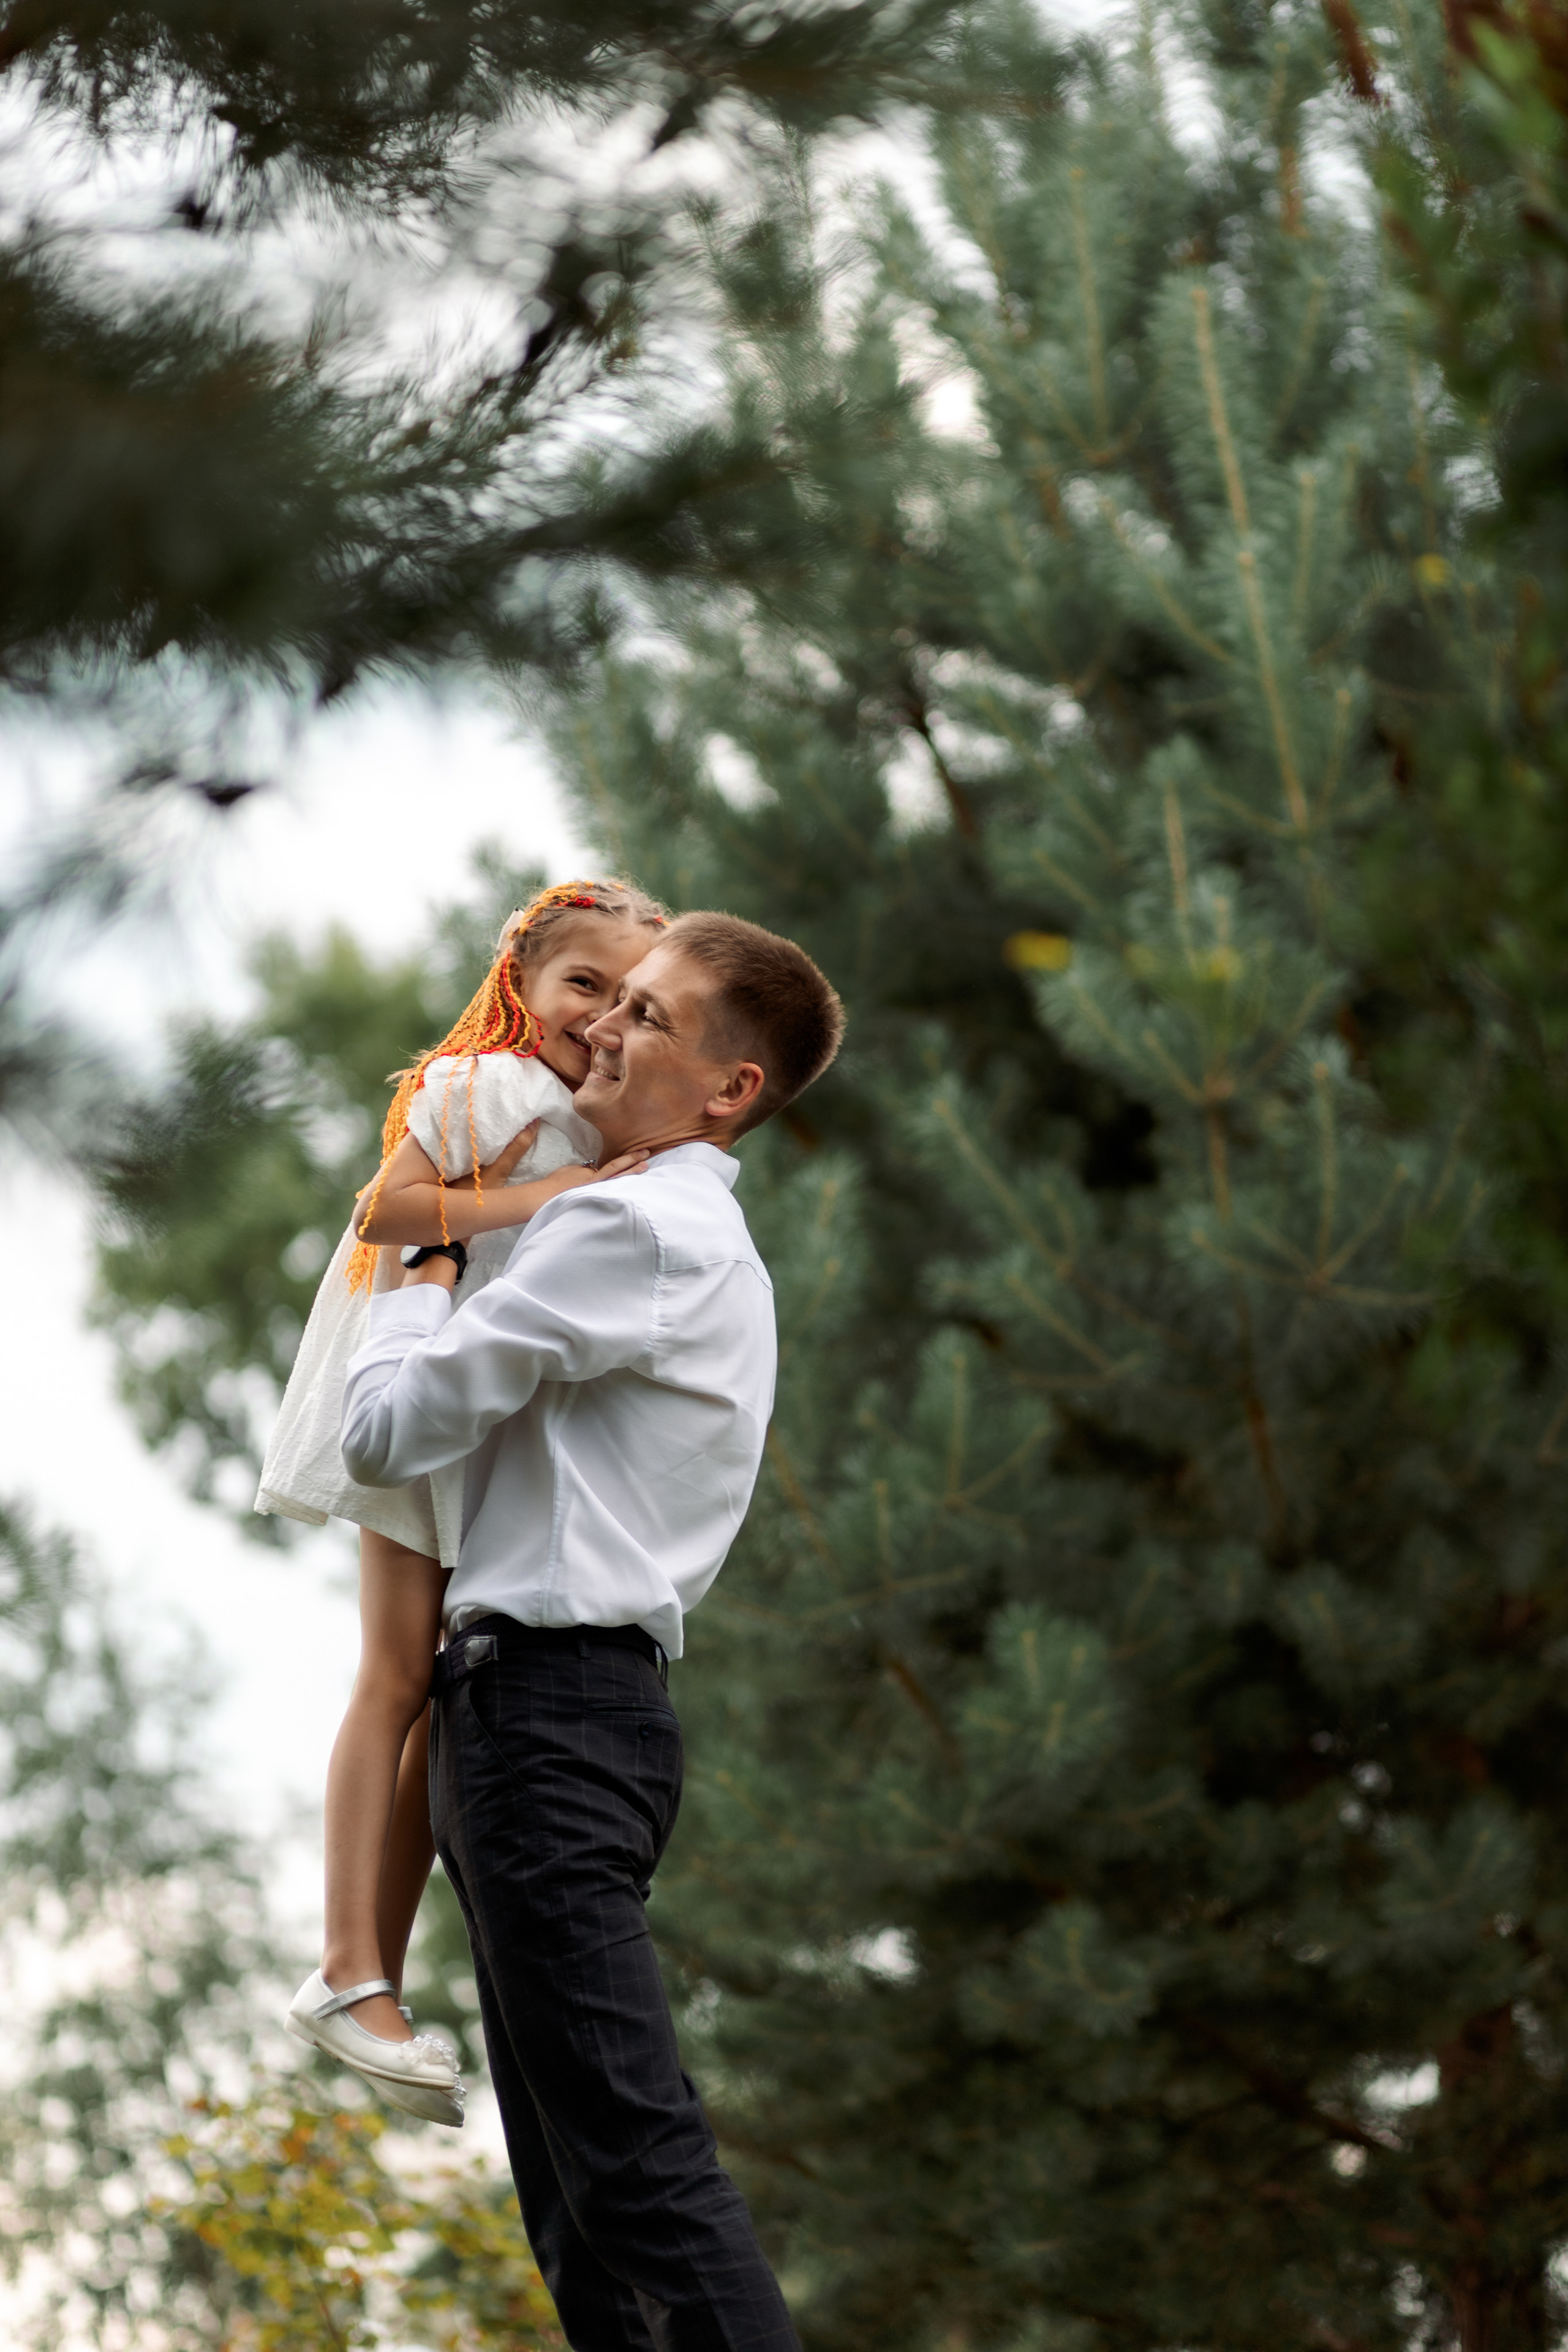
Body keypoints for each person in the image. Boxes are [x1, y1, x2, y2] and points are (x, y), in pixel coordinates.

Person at [340, 910, 843, 2352]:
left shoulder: (632, 1225)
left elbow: (385, 1431)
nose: (602, 1030)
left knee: (633, 2175)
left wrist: (426, 1266)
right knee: (579, 2210)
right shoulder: (671, 1232)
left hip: (548, 1719)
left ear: (730, 1090)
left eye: (649, 1017)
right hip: (545, 1717)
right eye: (610, 1001)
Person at [267, 878, 669, 2125]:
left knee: (437, 1695)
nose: (598, 1015)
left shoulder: (586, 1113)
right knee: (393, 1674)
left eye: (628, 997)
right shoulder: (488, 1086)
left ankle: (372, 1978)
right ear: (519, 983)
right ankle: (345, 1966)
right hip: (406, 1392)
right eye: (581, 984)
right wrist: (541, 1200)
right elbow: (385, 1211)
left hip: (471, 1418)